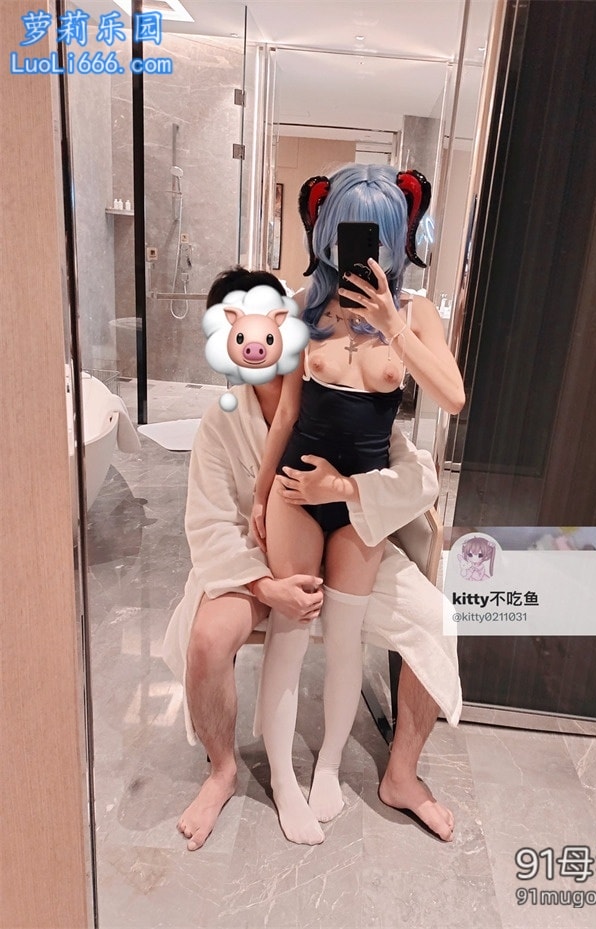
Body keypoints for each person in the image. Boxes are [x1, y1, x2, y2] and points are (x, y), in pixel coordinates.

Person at [162, 266, 464, 851]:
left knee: (436, 620)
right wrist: (262, 586)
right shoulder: (222, 422)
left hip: (353, 542)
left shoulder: (340, 395)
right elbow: (207, 525)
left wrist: (349, 490)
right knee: (206, 638)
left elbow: (417, 478)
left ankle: (400, 775)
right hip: (253, 562)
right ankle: (223, 771)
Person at [251, 165, 466, 844]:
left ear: (398, 238)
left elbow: (454, 397)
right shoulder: (302, 309)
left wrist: (392, 324)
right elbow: (288, 412)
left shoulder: (416, 314)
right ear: (327, 231)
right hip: (296, 490)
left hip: (362, 504)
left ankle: (328, 766)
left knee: (344, 640)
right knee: (291, 634)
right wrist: (259, 493)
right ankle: (282, 778)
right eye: (350, 233)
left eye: (376, 235)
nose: (362, 251)